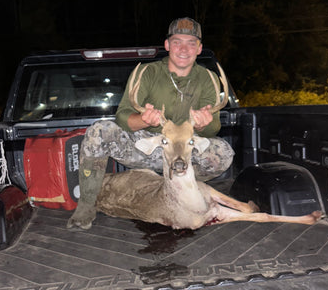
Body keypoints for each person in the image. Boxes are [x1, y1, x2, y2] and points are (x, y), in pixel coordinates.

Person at [67, 17, 234, 230]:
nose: (184, 49)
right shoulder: (147, 73)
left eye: (191, 43)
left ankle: (181, 190)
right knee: (100, 131)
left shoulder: (208, 78)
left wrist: (203, 125)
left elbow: (214, 128)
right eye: (177, 42)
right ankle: (86, 205)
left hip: (183, 150)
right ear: (167, 45)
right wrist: (143, 120)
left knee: (223, 153)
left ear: (199, 48)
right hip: (149, 145)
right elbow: (122, 116)